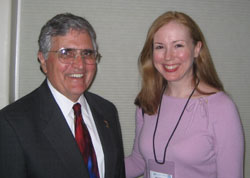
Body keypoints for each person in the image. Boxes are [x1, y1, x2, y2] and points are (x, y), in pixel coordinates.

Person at [0, 13, 125, 178]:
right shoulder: (13, 123)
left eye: (87, 53)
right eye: (66, 53)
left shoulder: (107, 111)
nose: (80, 65)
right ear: (43, 61)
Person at [125, 11, 244, 178]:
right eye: (160, 47)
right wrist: (91, 167)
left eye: (178, 45)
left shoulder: (221, 107)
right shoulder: (148, 101)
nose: (168, 56)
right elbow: (138, 163)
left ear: (196, 49)